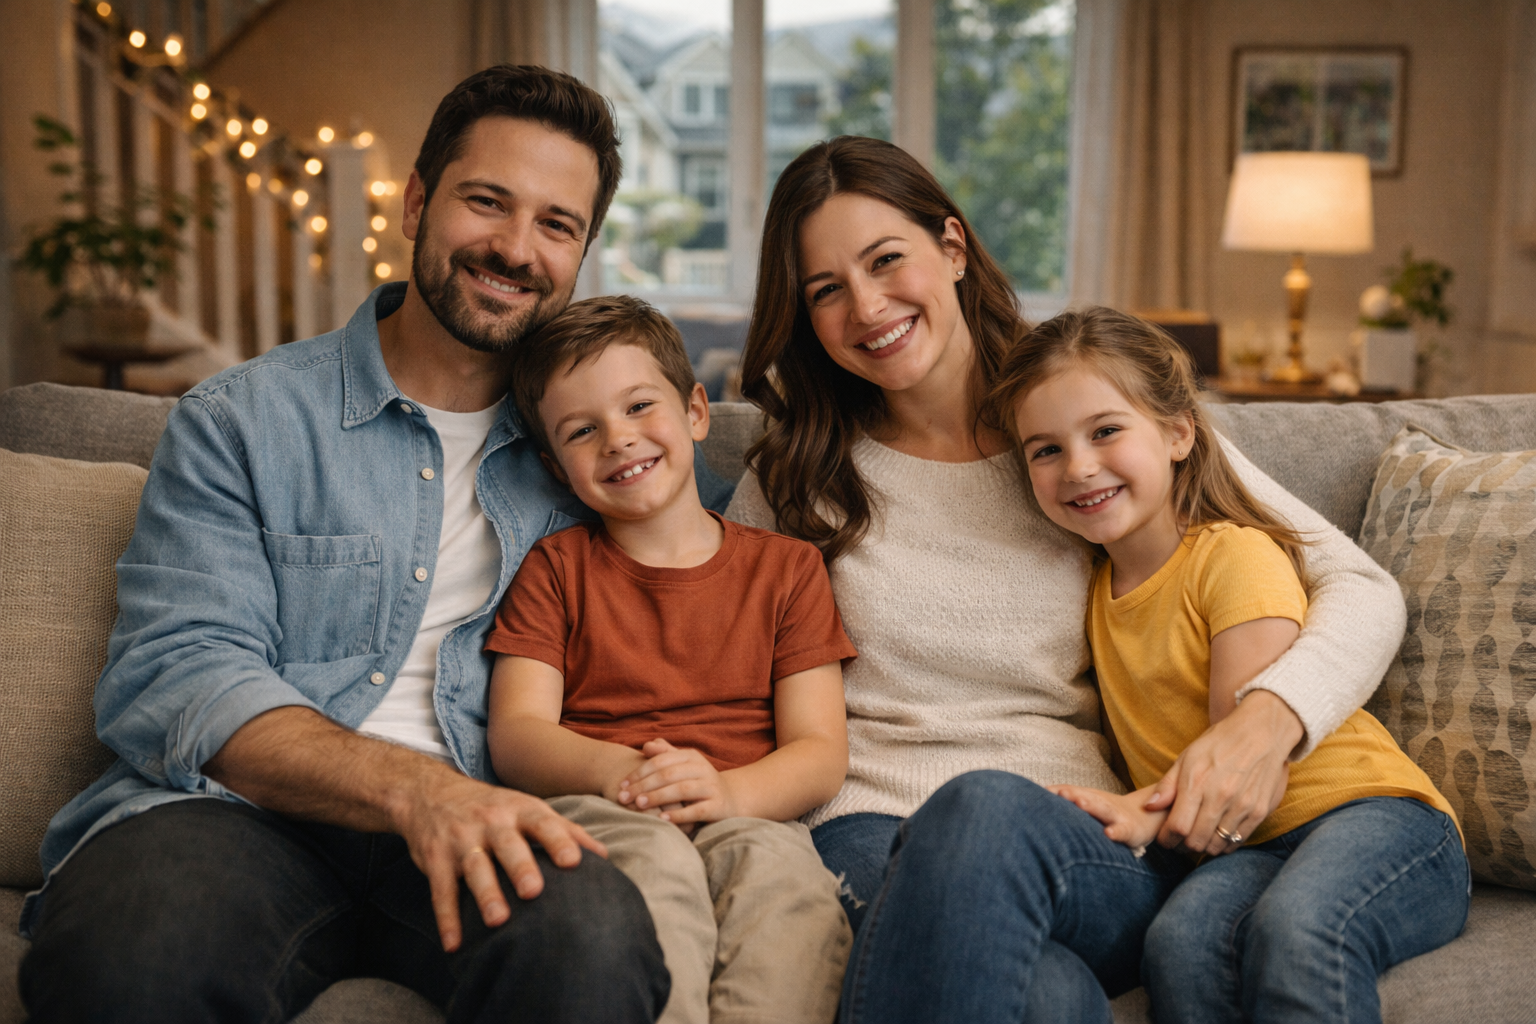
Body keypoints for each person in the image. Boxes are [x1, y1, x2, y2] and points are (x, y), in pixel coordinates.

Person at [19, 65, 732, 1023]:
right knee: (136, 949)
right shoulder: (244, 420)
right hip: (239, 819)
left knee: (593, 940)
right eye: (488, 202)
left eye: (557, 225)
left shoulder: (599, 449)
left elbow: (722, 549)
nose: (516, 249)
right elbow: (180, 673)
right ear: (417, 202)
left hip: (491, 817)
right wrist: (412, 791)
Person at [724, 135, 1410, 1023]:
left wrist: (1269, 722)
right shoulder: (794, 476)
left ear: (954, 247)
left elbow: (1361, 585)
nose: (866, 305)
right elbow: (718, 672)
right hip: (866, 828)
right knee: (1046, 997)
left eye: (886, 259)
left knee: (978, 813)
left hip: (1084, 836)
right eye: (825, 291)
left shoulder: (1081, 420)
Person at [996, 306, 1468, 1024]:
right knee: (1180, 942)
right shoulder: (1093, 592)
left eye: (1105, 431)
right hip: (1250, 848)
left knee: (1300, 929)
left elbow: (1240, 758)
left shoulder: (1233, 554)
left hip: (1377, 819)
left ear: (1180, 431)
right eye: (1045, 450)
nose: (1079, 466)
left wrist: (1138, 812)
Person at [485, 294, 856, 1024]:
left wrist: (729, 795)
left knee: (791, 896)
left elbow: (819, 752)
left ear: (695, 412)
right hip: (608, 811)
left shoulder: (788, 570)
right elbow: (517, 733)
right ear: (558, 470)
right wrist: (621, 774)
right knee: (650, 876)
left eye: (637, 408)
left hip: (749, 812)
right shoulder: (556, 569)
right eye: (582, 431)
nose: (618, 441)